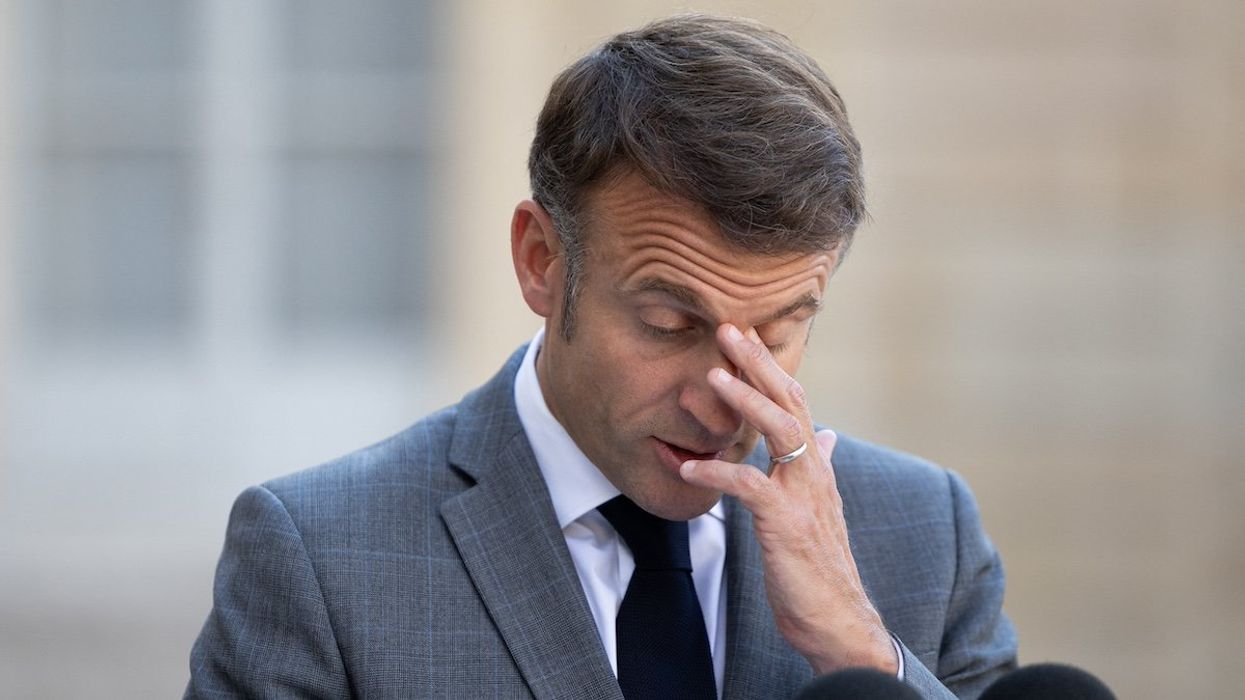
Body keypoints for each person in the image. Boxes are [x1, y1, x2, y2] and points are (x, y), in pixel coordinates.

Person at [186, 14, 1016, 699]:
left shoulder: (922, 532)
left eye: (773, 334)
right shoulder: (320, 558)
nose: (721, 402)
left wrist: (864, 656)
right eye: (668, 323)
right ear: (542, 261)